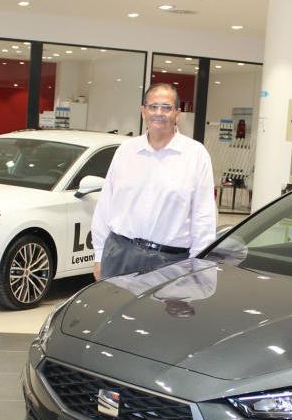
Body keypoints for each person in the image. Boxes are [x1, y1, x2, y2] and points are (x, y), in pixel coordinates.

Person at [91, 83, 216, 280]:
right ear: (143, 112)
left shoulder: (195, 154)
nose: (159, 113)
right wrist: (99, 255)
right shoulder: (126, 151)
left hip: (170, 262)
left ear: (177, 114)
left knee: (157, 313)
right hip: (119, 256)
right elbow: (105, 207)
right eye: (153, 106)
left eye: (166, 107)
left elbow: (204, 217)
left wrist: (198, 267)